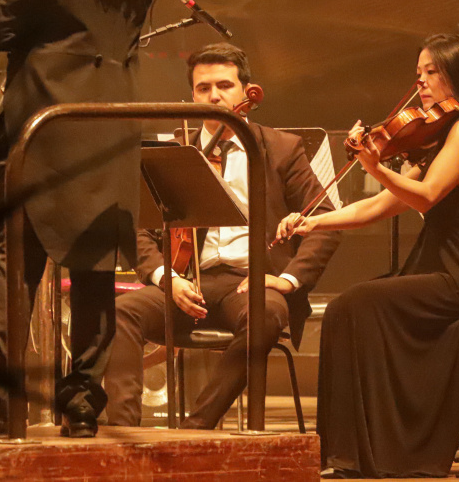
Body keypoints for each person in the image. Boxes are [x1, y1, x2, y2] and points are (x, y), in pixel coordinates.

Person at [276, 33, 459, 478]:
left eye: (432, 72)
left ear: (457, 75)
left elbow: (424, 198)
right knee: (351, 306)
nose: (421, 82)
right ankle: (350, 452)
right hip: (444, 266)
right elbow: (378, 207)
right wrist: (312, 221)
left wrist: (374, 166)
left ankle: (366, 452)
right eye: (418, 73)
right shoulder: (439, 137)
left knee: (356, 304)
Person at [0, 0, 164, 437]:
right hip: (111, 124)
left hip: (47, 124)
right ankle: (82, 405)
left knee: (12, 265)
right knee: (95, 269)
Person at [103, 43, 341, 429]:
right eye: (203, 88)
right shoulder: (178, 150)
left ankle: (196, 429)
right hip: (189, 283)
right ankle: (126, 433)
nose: (214, 96)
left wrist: (286, 280)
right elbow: (137, 230)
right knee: (120, 313)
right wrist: (169, 278)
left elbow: (326, 220)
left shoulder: (281, 149)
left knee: (264, 317)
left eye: (225, 85)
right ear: (191, 96)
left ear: (247, 92)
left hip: (251, 284)